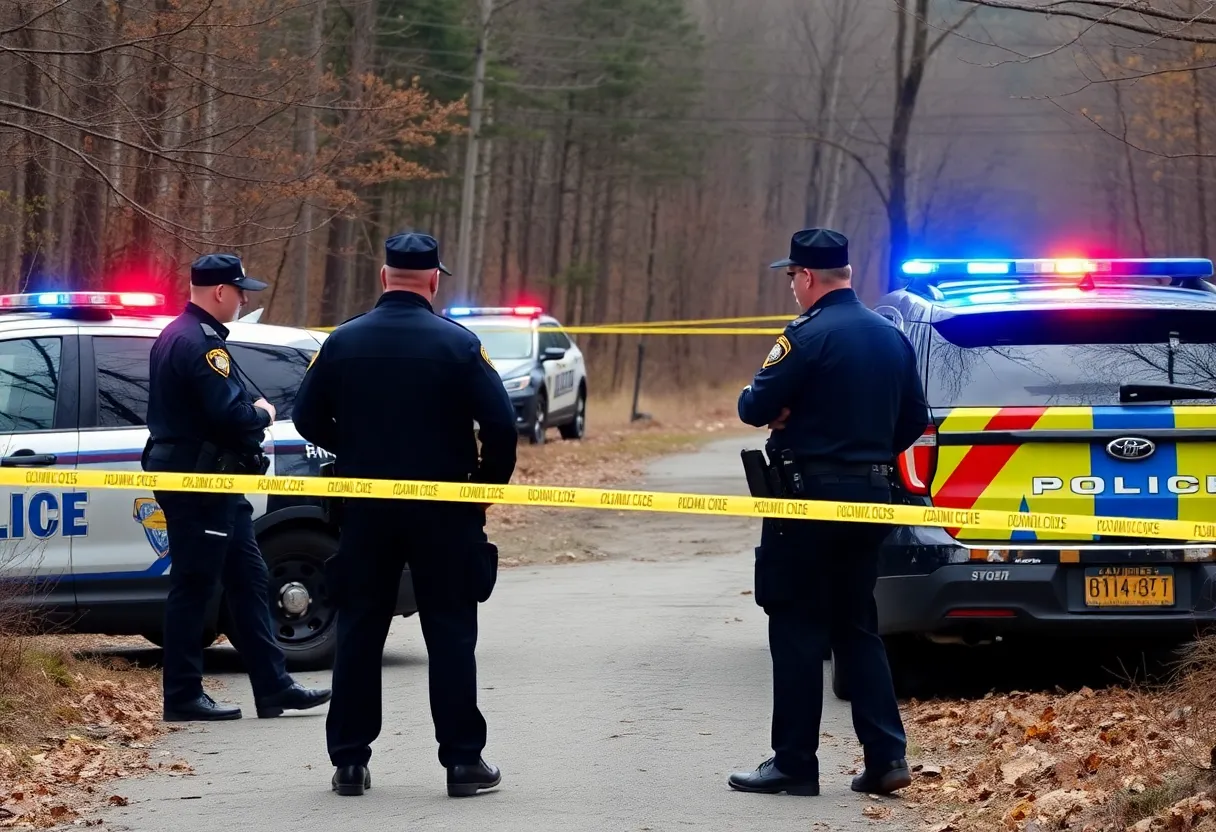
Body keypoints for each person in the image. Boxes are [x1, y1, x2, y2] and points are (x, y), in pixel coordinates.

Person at [292, 231, 518, 798]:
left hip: (366, 507)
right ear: (435, 279)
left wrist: (355, 449)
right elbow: (501, 426)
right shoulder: (458, 344)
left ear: (384, 276)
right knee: (449, 632)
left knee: (361, 629)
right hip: (444, 510)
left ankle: (348, 761)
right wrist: (482, 487)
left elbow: (305, 417)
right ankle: (464, 762)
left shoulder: (342, 342)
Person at [728, 228, 929, 797]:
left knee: (795, 626)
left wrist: (796, 415)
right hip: (871, 497)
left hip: (806, 502)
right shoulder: (891, 336)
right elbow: (914, 417)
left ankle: (794, 763)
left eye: (792, 277)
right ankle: (887, 757)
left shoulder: (805, 336)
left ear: (808, 278)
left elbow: (754, 406)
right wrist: (866, 444)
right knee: (857, 626)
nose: (792, 287)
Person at [142, 253, 332, 722]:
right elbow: (230, 415)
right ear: (219, 293)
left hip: (216, 485)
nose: (245, 299)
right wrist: (264, 414)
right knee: (195, 586)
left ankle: (274, 687)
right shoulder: (201, 345)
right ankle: (183, 694)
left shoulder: (176, 334)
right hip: (199, 484)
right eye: (240, 290)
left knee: (249, 581)